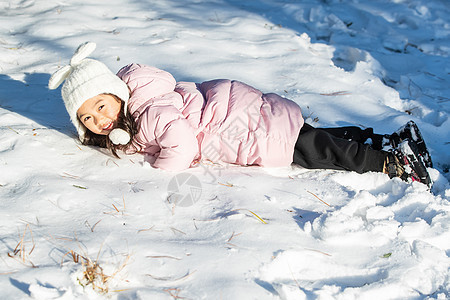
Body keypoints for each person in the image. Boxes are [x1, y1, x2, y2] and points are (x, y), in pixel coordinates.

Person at [48, 42, 432, 186]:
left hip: (246, 128)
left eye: (101, 106)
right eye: (87, 118)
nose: (99, 120)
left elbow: (179, 146)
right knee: (315, 136)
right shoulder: (141, 107)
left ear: (117, 95)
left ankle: (391, 163)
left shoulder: (148, 111)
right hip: (246, 112)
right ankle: (387, 139)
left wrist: (158, 169)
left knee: (318, 151)